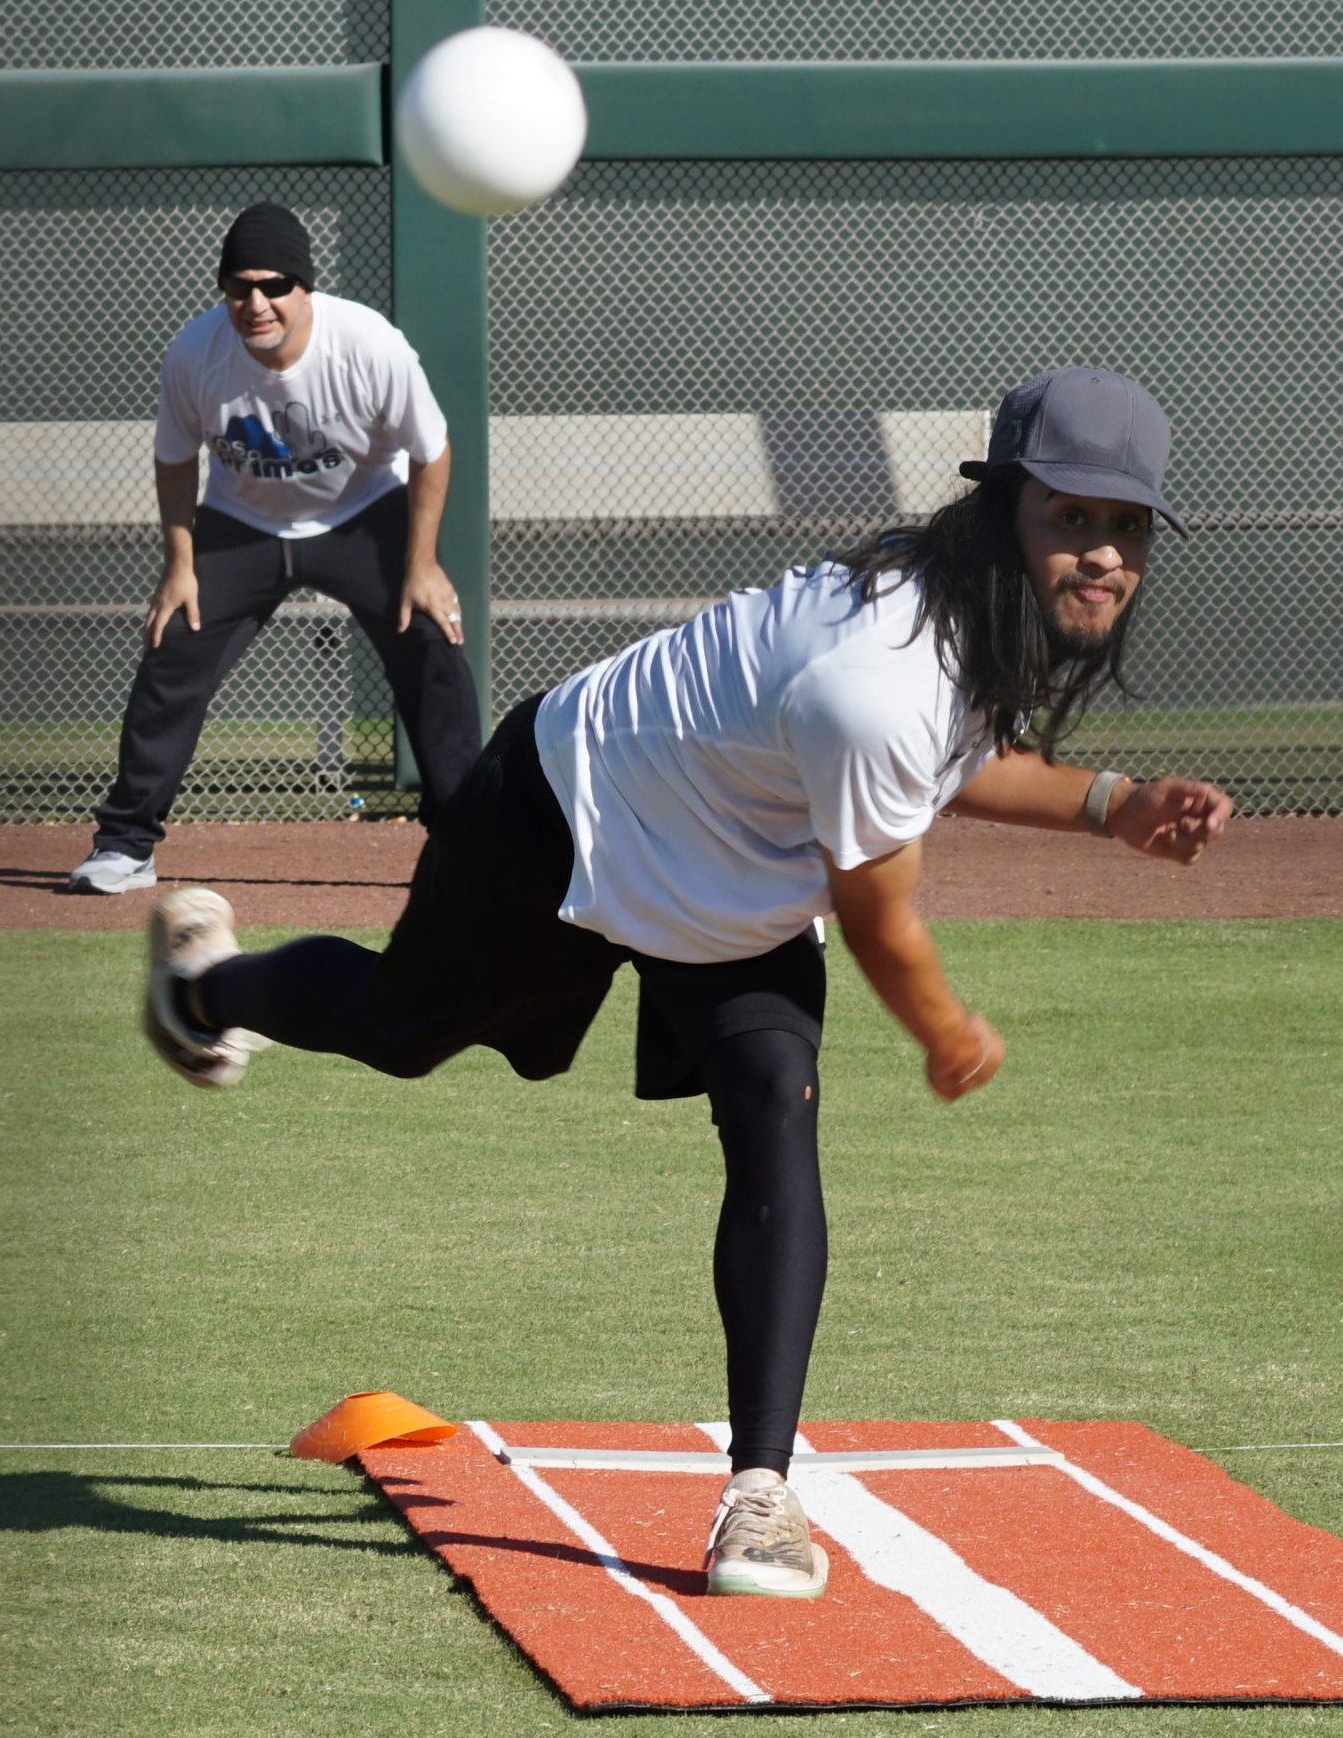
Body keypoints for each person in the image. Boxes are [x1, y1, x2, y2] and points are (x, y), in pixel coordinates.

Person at [137, 366, 1233, 1598]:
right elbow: (880, 912)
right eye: (1069, 518)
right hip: (573, 806)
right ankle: (207, 989)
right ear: (1001, 512)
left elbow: (953, 757)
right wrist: (944, 1028)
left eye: (1125, 527)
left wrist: (1111, 804)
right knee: (400, 1028)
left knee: (775, 1104)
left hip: (735, 876)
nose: (1101, 554)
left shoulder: (964, 614)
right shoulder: (875, 672)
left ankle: (759, 1494)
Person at [68, 202, 483, 894]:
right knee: (173, 647)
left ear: (304, 287)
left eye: (273, 286)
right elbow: (174, 461)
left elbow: (431, 452)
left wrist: (422, 564)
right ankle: (125, 846)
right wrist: (179, 565)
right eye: (239, 288)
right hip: (242, 521)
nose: (256, 304)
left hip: (362, 511)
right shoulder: (195, 353)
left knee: (434, 643)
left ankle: (466, 847)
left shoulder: (368, 344)